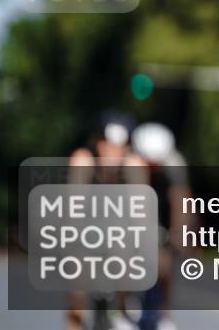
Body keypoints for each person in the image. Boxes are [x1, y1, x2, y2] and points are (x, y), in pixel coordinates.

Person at [67, 112, 147, 330]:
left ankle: (122, 310)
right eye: (107, 144)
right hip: (85, 233)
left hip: (120, 236)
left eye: (120, 146)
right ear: (97, 142)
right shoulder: (83, 160)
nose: (113, 152)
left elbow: (141, 214)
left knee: (125, 251)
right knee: (78, 285)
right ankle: (75, 322)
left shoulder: (134, 166)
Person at [131, 122, 194, 330]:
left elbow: (181, 201)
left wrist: (179, 234)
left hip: (162, 213)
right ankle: (122, 311)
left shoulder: (175, 162)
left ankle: (164, 311)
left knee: (164, 264)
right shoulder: (129, 161)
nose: (153, 166)